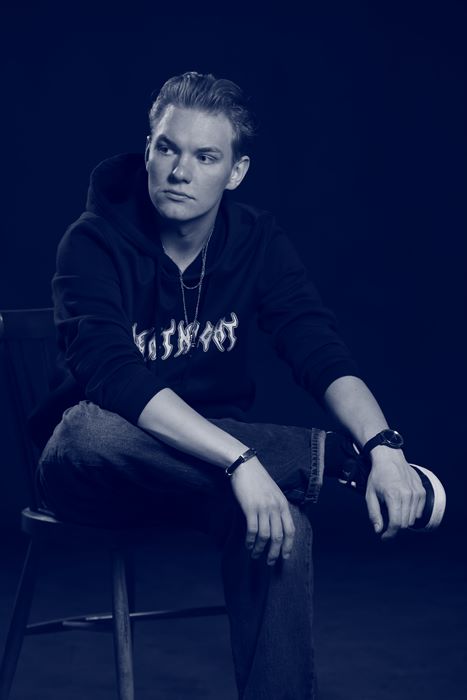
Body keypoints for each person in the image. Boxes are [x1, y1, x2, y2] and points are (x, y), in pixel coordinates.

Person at [32, 71, 445, 699]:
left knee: (285, 524)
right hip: (97, 474)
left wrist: (385, 445)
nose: (179, 171)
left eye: (205, 157)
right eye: (167, 148)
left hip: (208, 475)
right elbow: (113, 374)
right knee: (89, 426)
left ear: (236, 171)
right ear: (148, 150)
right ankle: (338, 466)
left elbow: (318, 349)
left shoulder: (257, 242)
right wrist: (244, 458)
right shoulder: (91, 243)